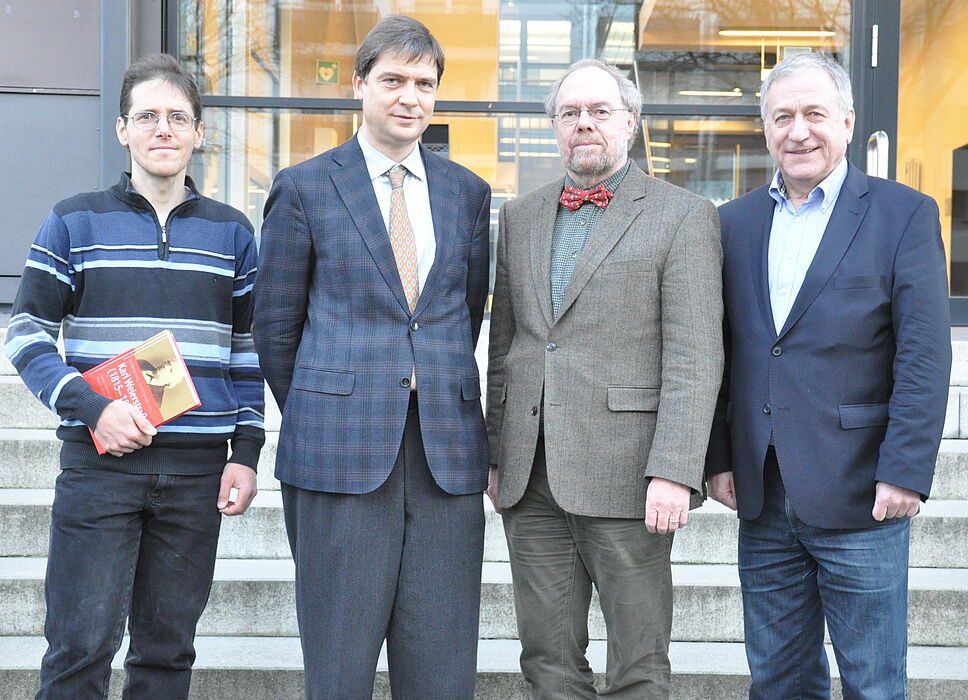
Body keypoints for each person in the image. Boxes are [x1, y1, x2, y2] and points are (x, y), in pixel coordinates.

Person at [5, 54, 265, 698]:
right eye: (148, 116)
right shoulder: (74, 220)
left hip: (196, 473)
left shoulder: (233, 233)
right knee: (79, 648)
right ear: (122, 129)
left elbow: (249, 348)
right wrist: (92, 406)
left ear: (200, 132)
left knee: (167, 654)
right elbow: (27, 332)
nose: (164, 129)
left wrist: (248, 451)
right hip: (100, 469)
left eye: (179, 117)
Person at [252, 15, 491, 700]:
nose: (408, 96)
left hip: (445, 453)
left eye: (424, 82)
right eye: (392, 79)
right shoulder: (305, 187)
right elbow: (276, 326)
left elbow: (463, 312)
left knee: (442, 673)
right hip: (338, 451)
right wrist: (328, 404)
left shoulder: (467, 194)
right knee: (339, 667)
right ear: (359, 85)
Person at [705, 52, 950, 698]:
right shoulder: (733, 224)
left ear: (846, 121)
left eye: (815, 114)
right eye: (782, 116)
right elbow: (722, 353)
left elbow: (924, 355)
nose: (799, 131)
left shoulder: (904, 215)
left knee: (872, 680)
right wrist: (719, 456)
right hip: (764, 493)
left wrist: (905, 470)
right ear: (765, 130)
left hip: (862, 490)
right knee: (780, 678)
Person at [486, 58, 723, 698]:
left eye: (599, 111)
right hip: (530, 475)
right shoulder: (521, 217)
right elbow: (506, 344)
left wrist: (675, 468)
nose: (583, 123)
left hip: (629, 476)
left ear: (631, 122)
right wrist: (494, 451)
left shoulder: (684, 215)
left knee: (638, 667)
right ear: (555, 128)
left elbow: (696, 356)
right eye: (570, 113)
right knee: (547, 663)